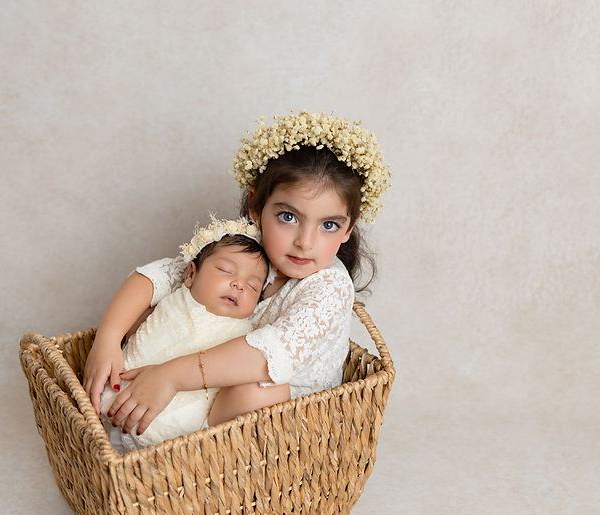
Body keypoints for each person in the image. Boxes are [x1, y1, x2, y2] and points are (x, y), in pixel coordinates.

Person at [85, 110, 390, 440]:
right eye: (288, 217)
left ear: (348, 230)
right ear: (256, 206)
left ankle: (192, 450)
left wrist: (170, 376)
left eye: (329, 225)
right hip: (207, 382)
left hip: (276, 415)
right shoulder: (246, 249)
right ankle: (136, 414)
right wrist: (108, 340)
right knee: (157, 308)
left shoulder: (330, 287)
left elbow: (265, 356)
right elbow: (161, 276)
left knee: (259, 390)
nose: (305, 242)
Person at [98, 217, 269, 452]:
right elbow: (135, 334)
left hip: (181, 444)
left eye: (252, 286)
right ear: (190, 274)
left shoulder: (245, 336)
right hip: (114, 411)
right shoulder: (172, 302)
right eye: (226, 271)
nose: (239, 285)